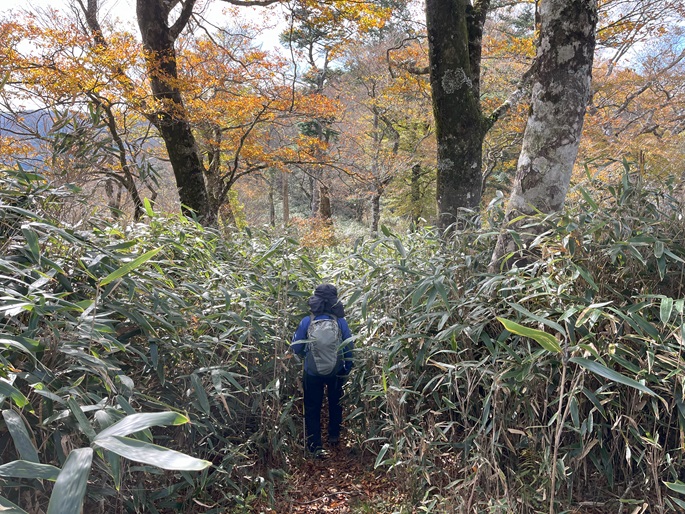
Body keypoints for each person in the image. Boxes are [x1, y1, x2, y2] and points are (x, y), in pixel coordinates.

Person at [291, 284, 353, 456]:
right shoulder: (340, 322)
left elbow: (295, 347)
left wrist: (307, 356)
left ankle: (315, 446)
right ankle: (334, 436)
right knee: (335, 403)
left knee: (312, 407)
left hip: (311, 372)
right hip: (336, 371)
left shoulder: (307, 321)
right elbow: (349, 347)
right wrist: (346, 368)